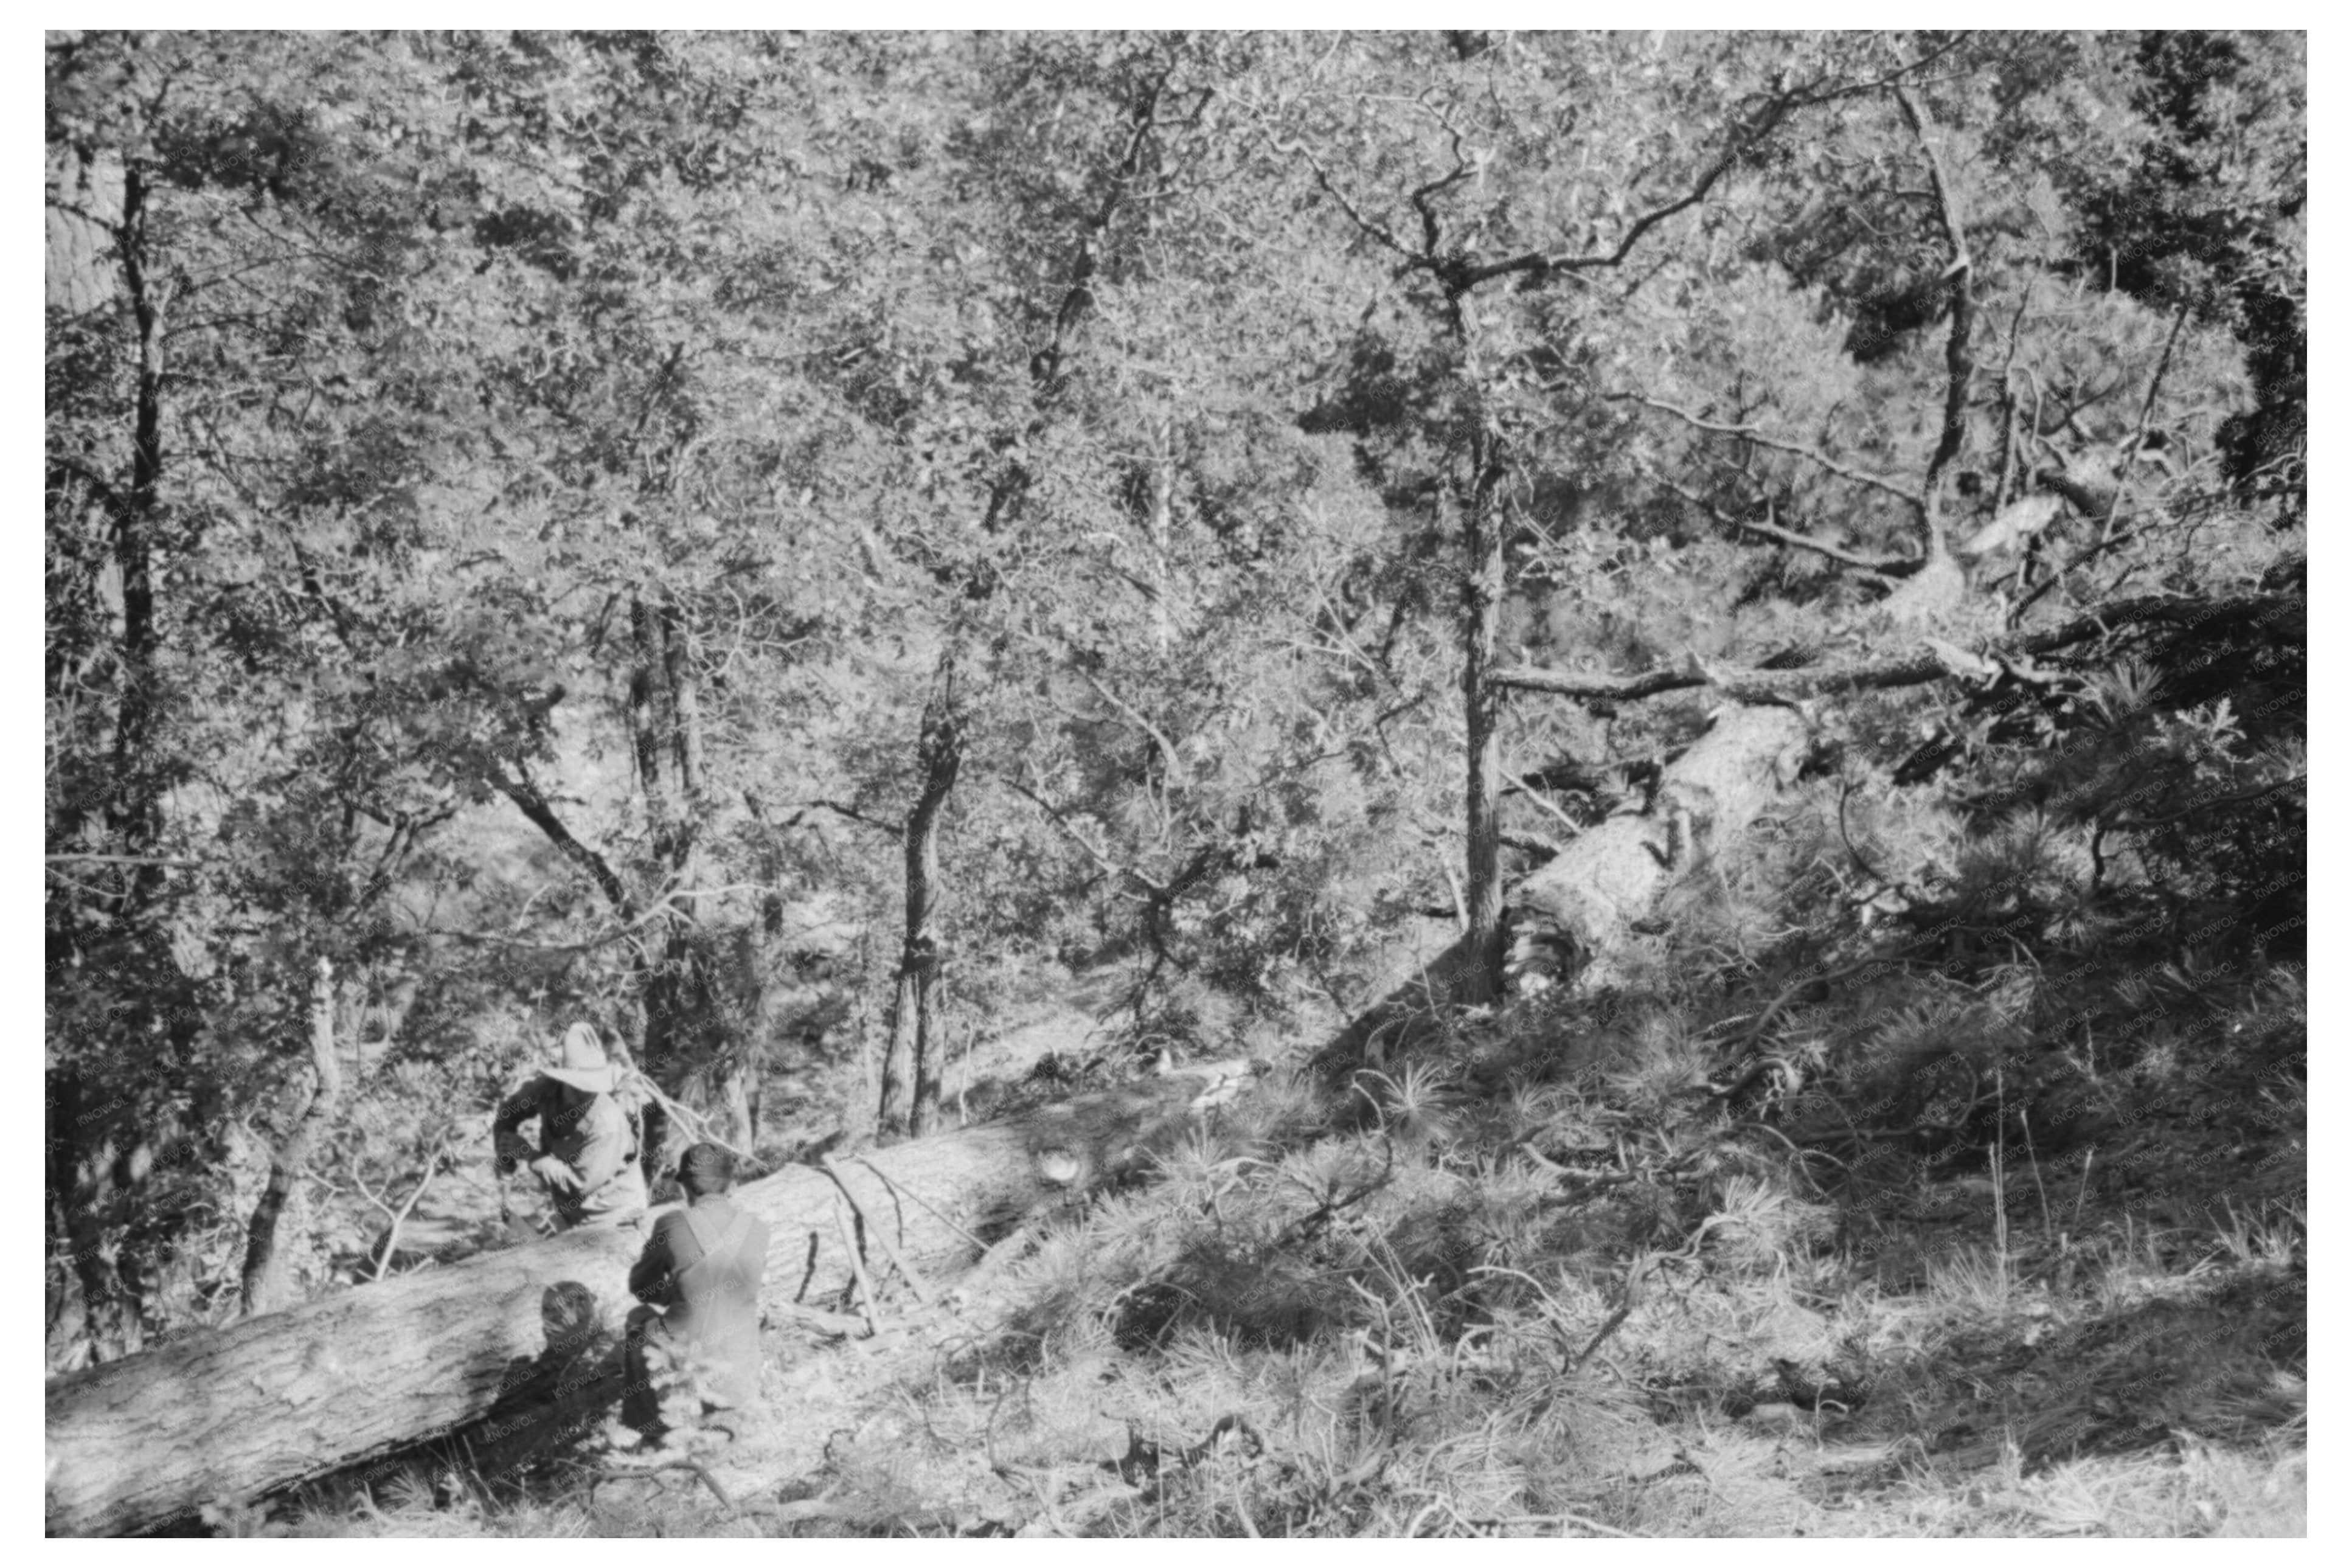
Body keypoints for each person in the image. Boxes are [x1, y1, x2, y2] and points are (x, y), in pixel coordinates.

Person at [623, 1142, 770, 1443]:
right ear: (732, 1185)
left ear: (686, 1189)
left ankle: (649, 1428)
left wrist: (677, 1294)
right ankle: (723, 1409)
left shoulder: (671, 1224)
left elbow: (640, 1286)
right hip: (741, 1354)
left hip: (686, 1349)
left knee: (638, 1319)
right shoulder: (758, 1228)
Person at [492, 1022, 650, 1230]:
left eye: (591, 1086)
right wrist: (506, 1160)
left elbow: (578, 1185)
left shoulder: (606, 1124)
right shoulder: (547, 1089)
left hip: (611, 1214)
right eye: (578, 1085)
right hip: (570, 1210)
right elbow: (508, 1113)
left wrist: (529, 1155)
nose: (584, 1092)